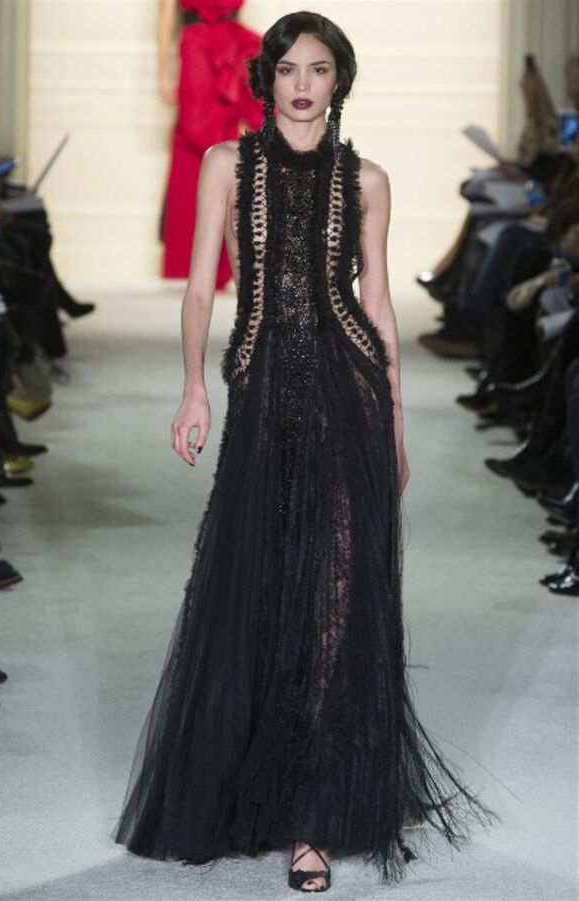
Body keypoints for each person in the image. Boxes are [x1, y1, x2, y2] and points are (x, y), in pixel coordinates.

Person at [113, 11, 498, 892]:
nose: (301, 84)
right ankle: (251, 782)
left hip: (346, 391)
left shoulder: (367, 180)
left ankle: (313, 812)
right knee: (256, 587)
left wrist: (394, 424)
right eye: (287, 68)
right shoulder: (225, 166)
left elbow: (380, 306)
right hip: (258, 395)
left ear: (339, 80)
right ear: (267, 78)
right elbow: (201, 291)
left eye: (318, 69)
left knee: (331, 596)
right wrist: (193, 388)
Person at [158, 0, 263, 289]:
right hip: (197, 47)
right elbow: (166, 14)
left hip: (232, 46)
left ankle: (226, 261)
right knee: (196, 140)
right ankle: (194, 259)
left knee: (231, 148)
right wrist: (164, 73)